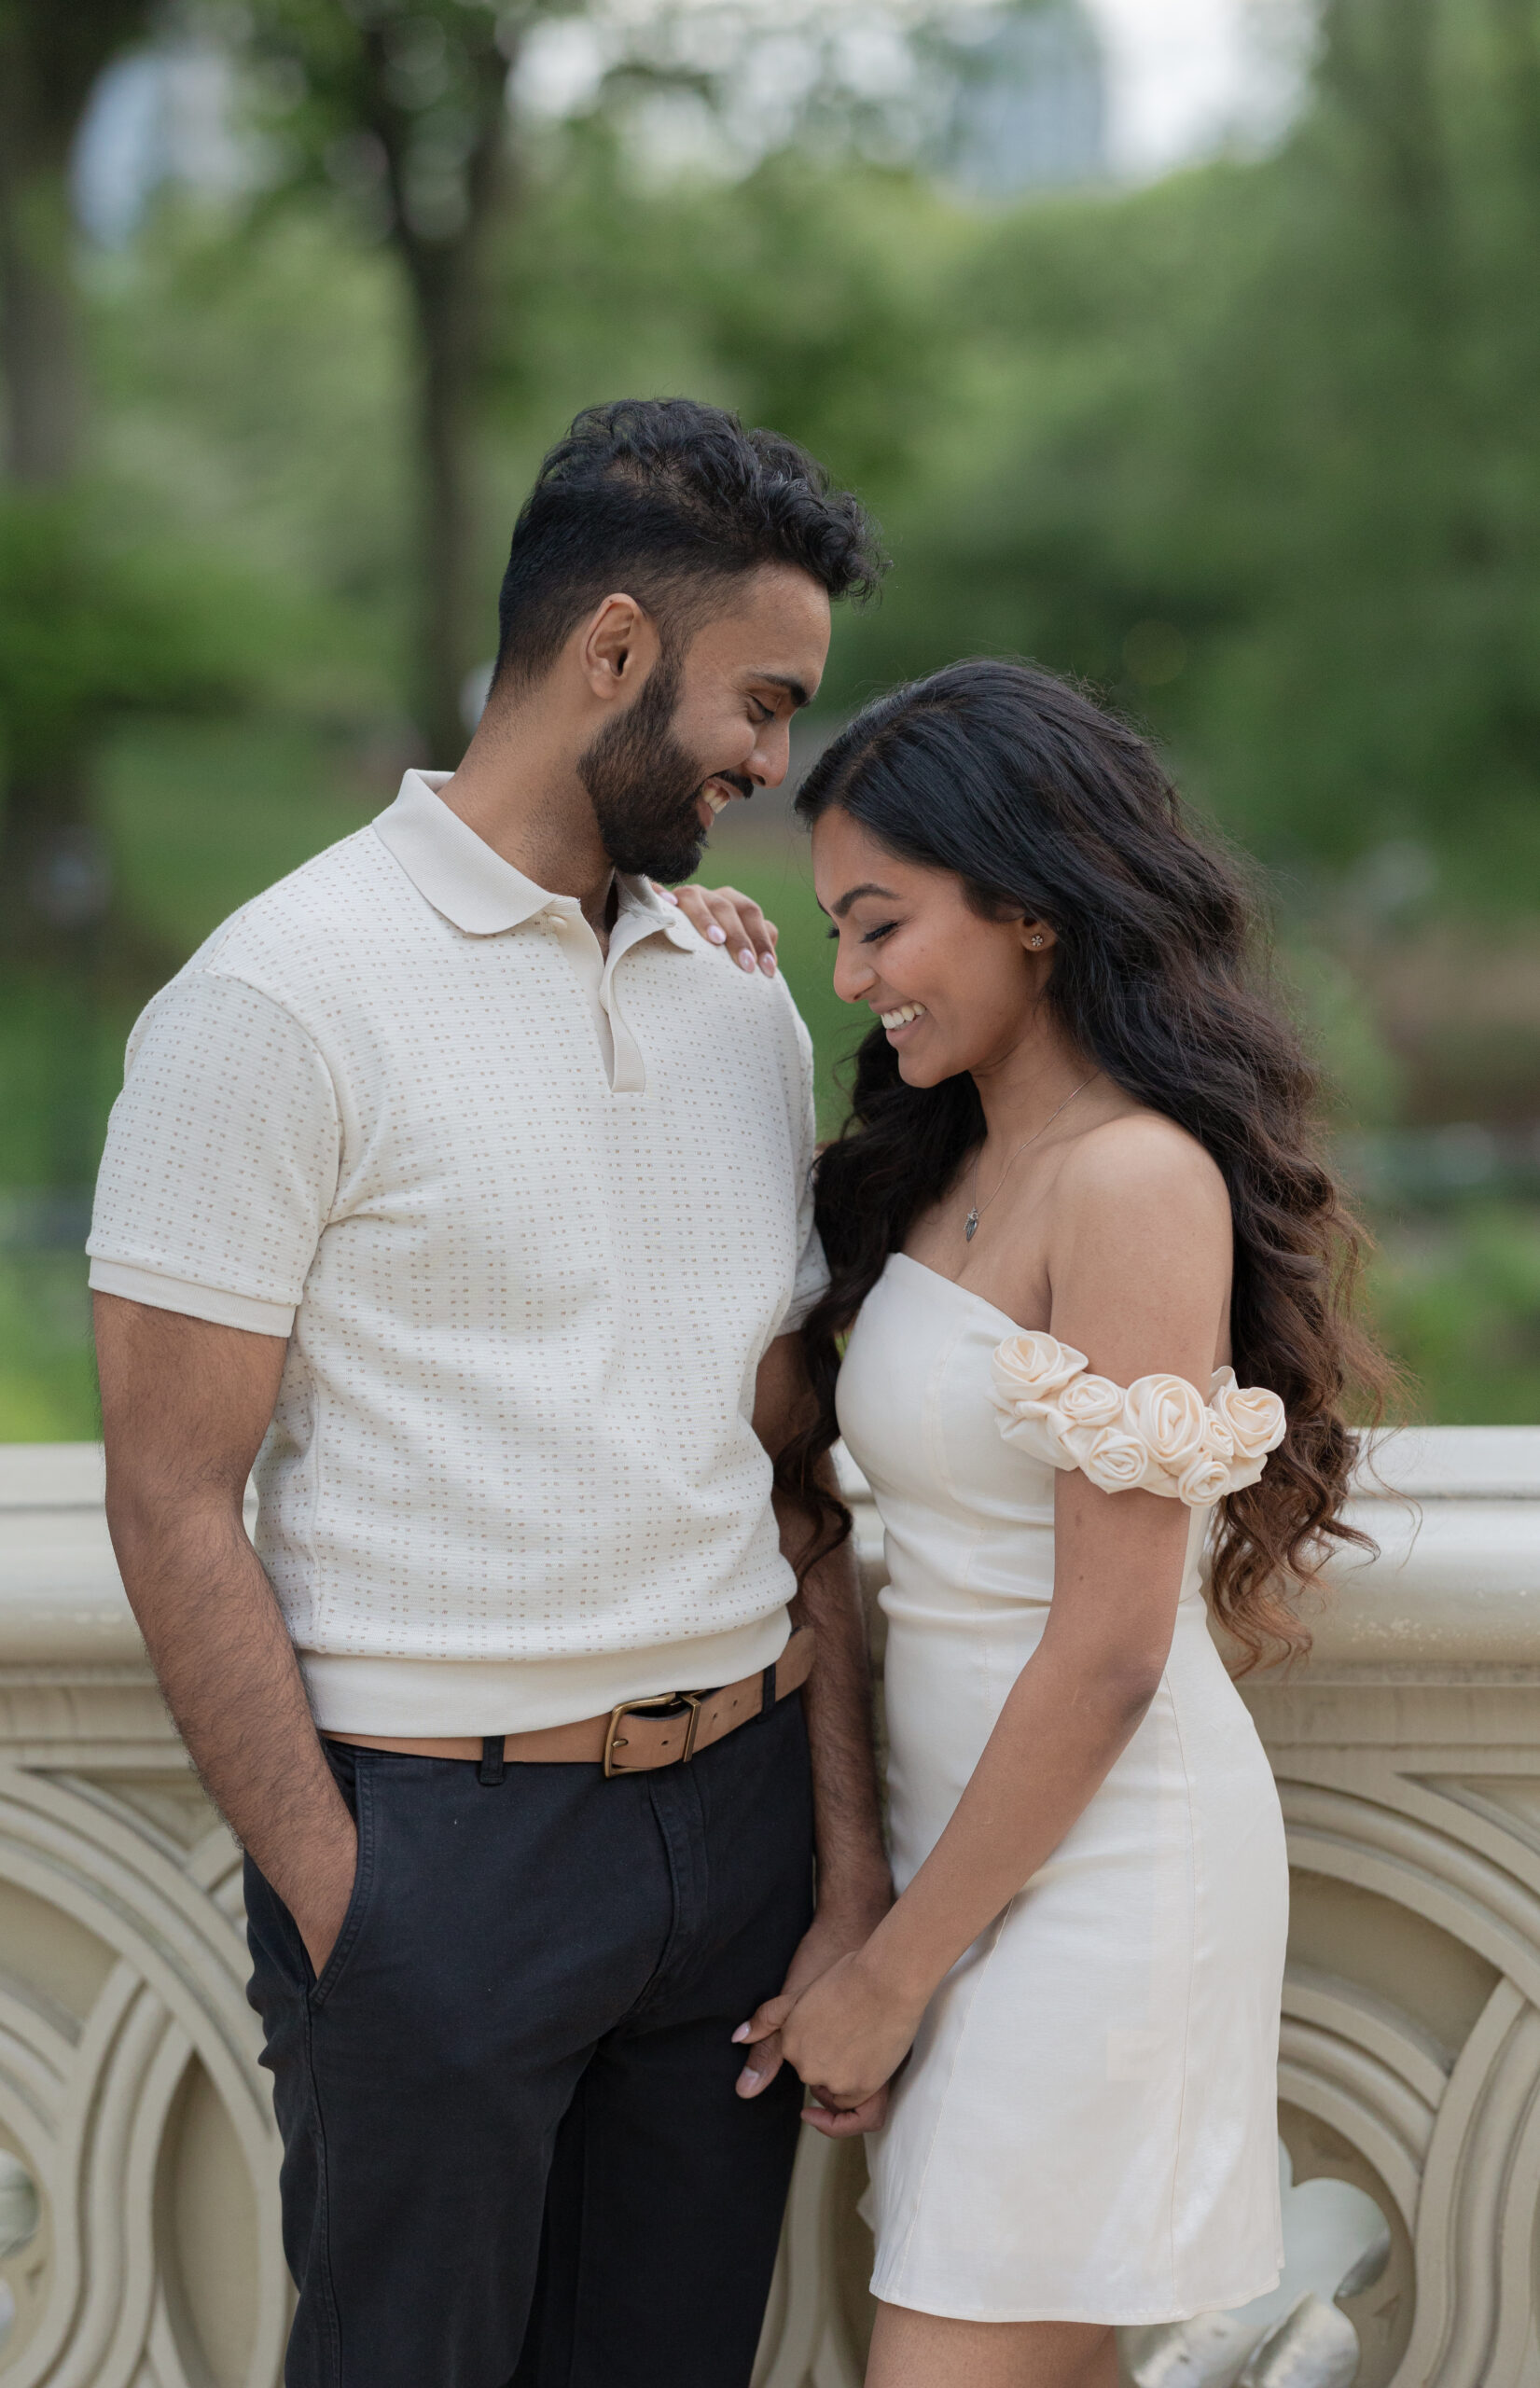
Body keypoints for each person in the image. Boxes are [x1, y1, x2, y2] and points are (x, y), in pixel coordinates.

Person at [87, 397, 893, 2388]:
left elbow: (790, 1463)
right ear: (612, 651)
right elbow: (171, 1490)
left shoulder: (734, 999)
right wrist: (350, 1898)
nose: (772, 767)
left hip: (731, 1840)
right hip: (439, 1852)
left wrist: (834, 1869)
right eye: (758, 701)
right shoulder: (277, 997)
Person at [733, 660, 1391, 2388]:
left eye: (883, 926)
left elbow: (1107, 1650)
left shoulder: (1133, 1182)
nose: (855, 981)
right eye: (833, 938)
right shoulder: (941, 1170)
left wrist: (891, 1972)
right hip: (964, 1859)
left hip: (1097, 1878)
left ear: (1028, 906)